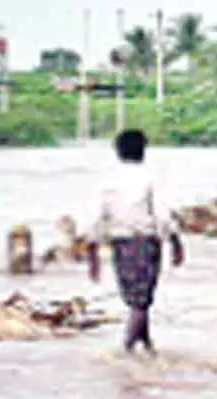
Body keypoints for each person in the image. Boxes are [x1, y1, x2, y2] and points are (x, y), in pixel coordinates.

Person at [85, 129, 185, 354]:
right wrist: (175, 240)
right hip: (145, 242)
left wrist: (92, 250)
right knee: (141, 299)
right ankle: (129, 347)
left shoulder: (107, 183)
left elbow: (95, 218)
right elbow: (162, 215)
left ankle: (146, 345)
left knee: (135, 297)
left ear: (117, 152)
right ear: (144, 151)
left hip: (120, 244)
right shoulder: (149, 180)